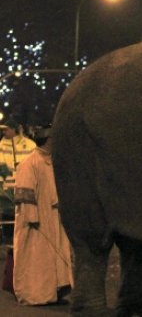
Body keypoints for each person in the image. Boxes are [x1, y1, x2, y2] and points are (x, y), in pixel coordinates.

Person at [12, 126, 73, 305]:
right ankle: (36, 294)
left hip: (54, 216)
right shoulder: (29, 163)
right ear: (49, 140)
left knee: (57, 255)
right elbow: (24, 192)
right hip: (37, 219)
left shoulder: (52, 161)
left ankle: (58, 290)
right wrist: (32, 217)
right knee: (37, 258)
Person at [0, 119, 36, 245]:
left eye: (6, 129)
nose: (4, 131)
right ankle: (10, 248)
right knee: (9, 221)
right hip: (7, 191)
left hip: (26, 188)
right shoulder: (1, 145)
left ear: (14, 128)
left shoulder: (30, 145)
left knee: (26, 218)